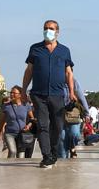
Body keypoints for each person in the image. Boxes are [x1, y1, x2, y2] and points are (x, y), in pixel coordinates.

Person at [22, 19, 76, 168]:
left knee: (58, 126)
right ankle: (46, 155)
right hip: (38, 94)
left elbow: (68, 73)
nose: (48, 31)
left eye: (51, 28)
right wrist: (23, 90)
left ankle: (53, 151)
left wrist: (71, 92)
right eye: (46, 28)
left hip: (58, 95)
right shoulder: (35, 49)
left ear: (57, 32)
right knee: (43, 125)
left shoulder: (64, 50)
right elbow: (29, 71)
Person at [0, 86, 36, 159]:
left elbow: (32, 118)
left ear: (20, 95)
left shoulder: (26, 105)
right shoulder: (6, 106)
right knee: (13, 151)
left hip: (22, 134)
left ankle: (16, 167)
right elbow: (1, 121)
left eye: (14, 93)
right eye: (11, 93)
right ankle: (9, 166)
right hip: (9, 133)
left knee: (21, 156)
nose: (11, 94)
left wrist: (28, 126)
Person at [60, 77, 90, 159]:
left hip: (72, 113)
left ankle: (72, 145)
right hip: (59, 113)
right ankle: (63, 160)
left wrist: (86, 113)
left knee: (75, 134)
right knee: (62, 138)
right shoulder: (56, 80)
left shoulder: (74, 81)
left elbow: (81, 97)